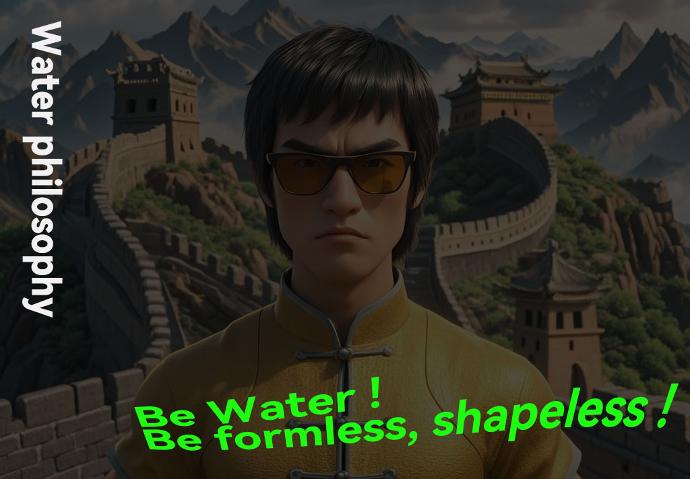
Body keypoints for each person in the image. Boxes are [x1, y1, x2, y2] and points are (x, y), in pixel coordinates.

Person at [107, 25, 580, 478]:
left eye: (377, 166)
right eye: (305, 165)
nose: (341, 199)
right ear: (265, 184)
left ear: (418, 183)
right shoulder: (182, 392)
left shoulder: (507, 394)